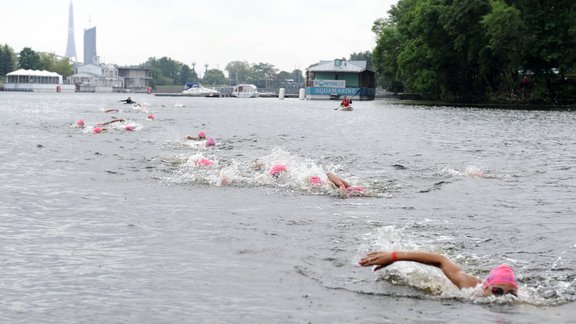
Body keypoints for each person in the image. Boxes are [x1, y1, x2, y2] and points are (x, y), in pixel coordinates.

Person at [359, 250, 518, 297]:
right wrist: (394, 256)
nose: (504, 297)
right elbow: (441, 260)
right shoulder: (470, 285)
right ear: (486, 287)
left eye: (511, 293)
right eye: (497, 291)